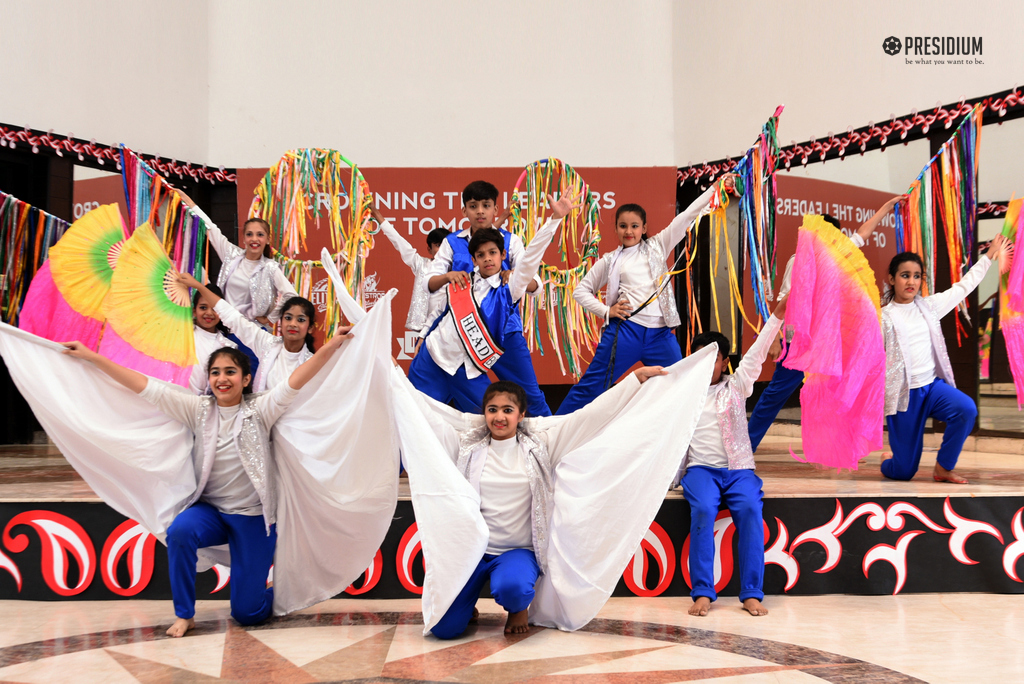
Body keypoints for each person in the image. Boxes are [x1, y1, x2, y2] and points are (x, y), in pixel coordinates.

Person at [392, 337, 716, 638]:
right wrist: (391, 374)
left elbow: (589, 417)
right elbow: (426, 413)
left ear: (521, 414)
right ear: (484, 413)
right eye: (492, 410)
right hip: (472, 552)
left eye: (507, 410)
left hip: (517, 553)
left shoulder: (542, 441)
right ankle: (464, 605)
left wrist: (634, 382)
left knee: (514, 587)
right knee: (444, 629)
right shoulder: (466, 443)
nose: (499, 417)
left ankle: (518, 609)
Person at [61, 330, 351, 637]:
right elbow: (143, 387)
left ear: (246, 379)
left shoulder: (262, 409)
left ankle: (268, 594)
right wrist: (92, 357)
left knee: (247, 614)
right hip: (210, 511)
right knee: (180, 531)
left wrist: (332, 344)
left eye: (230, 372)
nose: (222, 379)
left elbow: (299, 378)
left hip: (252, 518)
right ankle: (184, 614)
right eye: (215, 372)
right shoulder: (198, 410)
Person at [555, 177, 734, 415]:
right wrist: (607, 311)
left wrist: (715, 187)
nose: (629, 231)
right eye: (623, 226)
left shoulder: (659, 245)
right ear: (616, 228)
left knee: (678, 384)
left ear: (644, 228)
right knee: (592, 386)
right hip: (625, 332)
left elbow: (688, 215)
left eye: (634, 226)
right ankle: (552, 431)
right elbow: (580, 291)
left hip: (660, 335)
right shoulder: (610, 260)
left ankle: (685, 443)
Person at [747, 198, 902, 450]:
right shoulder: (798, 261)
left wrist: (886, 207)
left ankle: (844, 447)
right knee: (775, 396)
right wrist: (775, 339)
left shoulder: (839, 256)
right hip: (798, 344)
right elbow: (784, 303)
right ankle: (746, 445)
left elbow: (863, 232)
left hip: (828, 345)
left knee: (844, 394)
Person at [408, 191, 577, 413]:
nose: (487, 258)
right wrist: (423, 334)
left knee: (498, 414)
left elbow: (532, 258)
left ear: (502, 254)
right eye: (481, 254)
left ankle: (548, 443)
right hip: (434, 356)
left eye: (493, 253)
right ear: (474, 259)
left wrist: (554, 220)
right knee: (414, 413)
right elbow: (441, 309)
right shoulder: (463, 281)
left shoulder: (510, 286)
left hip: (475, 361)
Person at [681, 296, 787, 618]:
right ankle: (702, 591)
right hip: (701, 470)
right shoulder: (682, 393)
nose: (705, 366)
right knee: (702, 508)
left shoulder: (738, 385)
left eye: (712, 359)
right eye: (698, 359)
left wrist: (777, 317)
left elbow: (757, 354)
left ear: (724, 362)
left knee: (751, 509)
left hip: (739, 470)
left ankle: (752, 593)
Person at [880, 236, 1005, 484]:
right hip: (904, 397)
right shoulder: (882, 317)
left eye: (917, 276)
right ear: (892, 279)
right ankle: (889, 461)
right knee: (904, 472)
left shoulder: (929, 306)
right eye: (905, 275)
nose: (911, 281)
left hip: (932, 387)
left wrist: (989, 256)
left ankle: (943, 467)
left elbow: (963, 287)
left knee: (966, 409)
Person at [179, 273, 315, 393]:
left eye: (301, 320)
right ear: (280, 322)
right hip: (263, 419)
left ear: (310, 328)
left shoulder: (313, 363)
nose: (293, 324)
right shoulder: (267, 344)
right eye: (288, 318)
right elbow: (233, 317)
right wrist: (199, 286)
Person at [371, 204, 449, 344]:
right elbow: (399, 242)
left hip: (451, 327)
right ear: (429, 249)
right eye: (438, 245)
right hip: (425, 331)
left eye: (445, 245)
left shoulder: (457, 269)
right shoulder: (421, 264)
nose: (442, 249)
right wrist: (377, 214)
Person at [189, 282, 238, 394]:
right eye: (203, 307)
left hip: (204, 405)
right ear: (194, 311)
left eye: (214, 309)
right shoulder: (182, 335)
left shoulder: (227, 347)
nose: (209, 313)